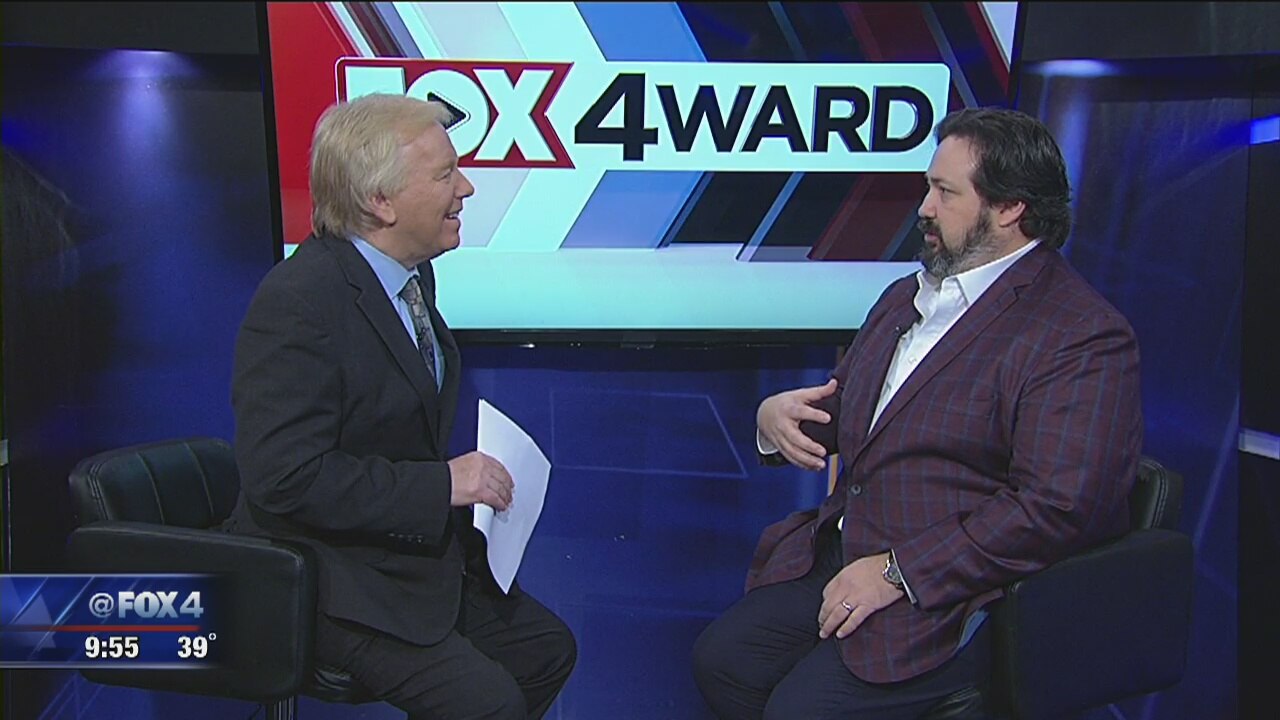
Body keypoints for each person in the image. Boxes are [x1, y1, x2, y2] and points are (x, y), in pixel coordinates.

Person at [692, 107, 1143, 719]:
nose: (924, 207)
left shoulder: (1078, 333)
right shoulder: (906, 296)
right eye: (928, 187)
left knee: (802, 710)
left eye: (945, 192)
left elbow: (1058, 507)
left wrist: (899, 572)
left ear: (1010, 208)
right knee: (724, 661)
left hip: (954, 589)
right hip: (848, 551)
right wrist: (775, 421)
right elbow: (861, 413)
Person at [222, 93, 576, 720]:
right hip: (328, 576)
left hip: (403, 556)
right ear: (378, 202)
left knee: (545, 652)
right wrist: (443, 484)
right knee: (487, 703)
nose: (465, 188)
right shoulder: (300, 302)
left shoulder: (410, 277)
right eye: (444, 175)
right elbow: (284, 478)